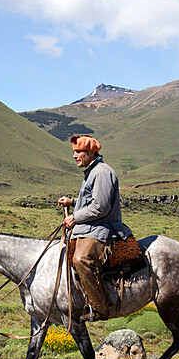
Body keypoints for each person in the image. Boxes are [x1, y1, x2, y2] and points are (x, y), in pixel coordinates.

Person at [56, 135, 133, 321]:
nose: (74, 156)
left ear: (91, 153)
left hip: (104, 228)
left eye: (78, 152)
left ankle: (100, 308)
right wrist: (73, 202)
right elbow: (91, 200)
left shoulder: (102, 173)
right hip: (93, 226)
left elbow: (101, 207)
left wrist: (75, 217)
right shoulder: (92, 171)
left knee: (82, 259)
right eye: (74, 152)